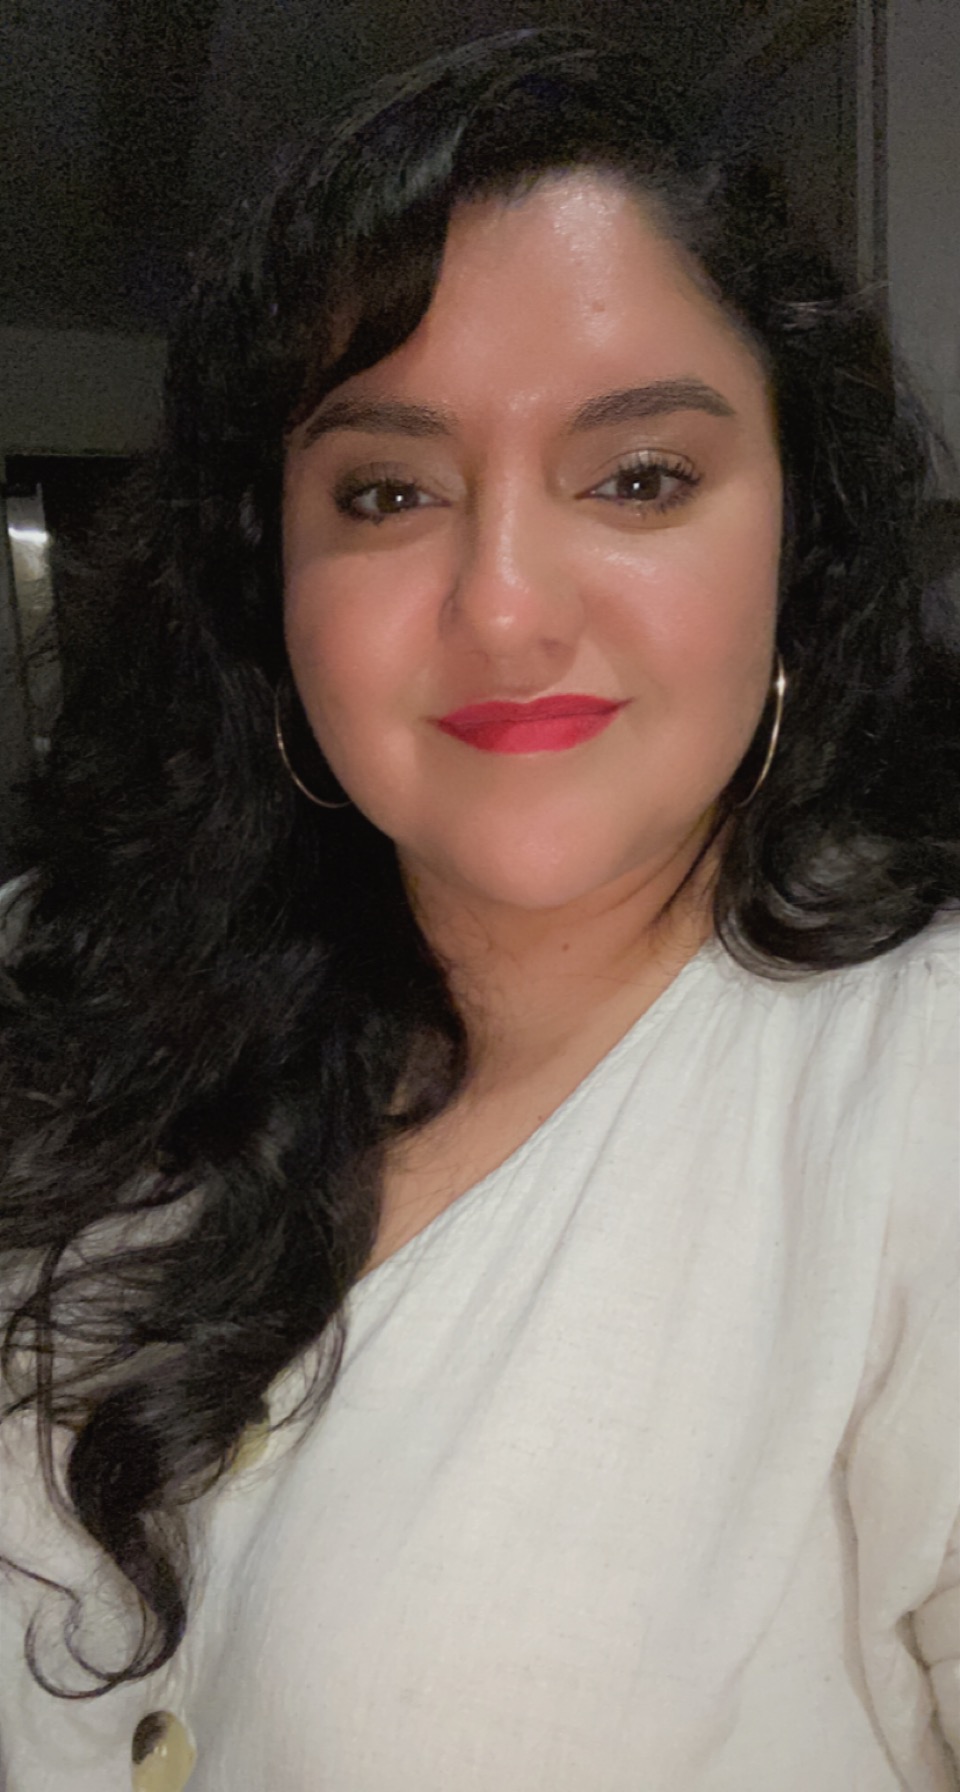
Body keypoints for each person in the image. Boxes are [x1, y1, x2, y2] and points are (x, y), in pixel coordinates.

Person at [0, 28, 958, 1792]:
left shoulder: (921, 1102)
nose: (505, 607)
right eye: (387, 491)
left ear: (798, 548)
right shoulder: (109, 1043)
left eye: (638, 477)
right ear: (271, 589)